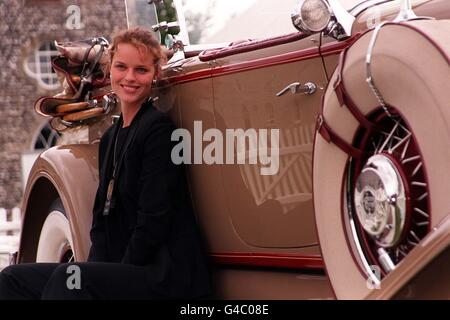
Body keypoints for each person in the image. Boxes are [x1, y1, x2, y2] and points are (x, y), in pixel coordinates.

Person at [0, 27, 212, 299]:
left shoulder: (160, 131)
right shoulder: (111, 137)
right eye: (121, 67)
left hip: (163, 274)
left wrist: (109, 280)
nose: (130, 78)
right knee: (12, 279)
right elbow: (101, 222)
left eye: (141, 70)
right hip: (122, 270)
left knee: (70, 280)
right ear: (110, 69)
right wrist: (96, 270)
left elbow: (153, 222)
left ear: (155, 74)